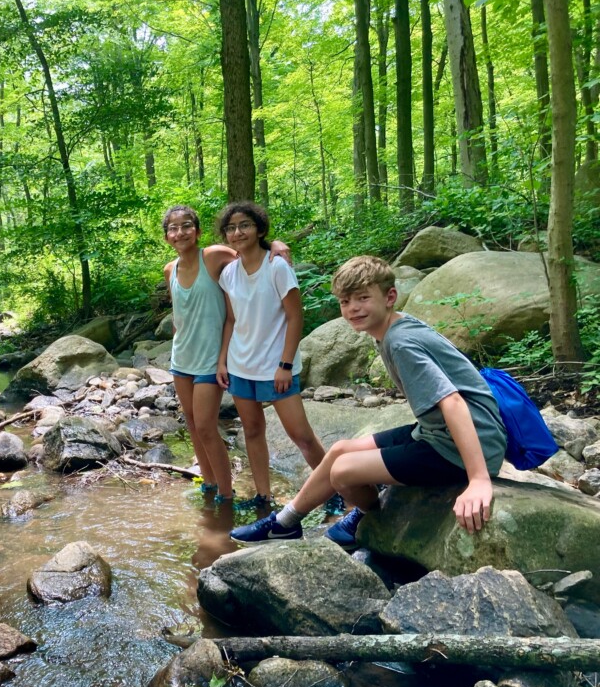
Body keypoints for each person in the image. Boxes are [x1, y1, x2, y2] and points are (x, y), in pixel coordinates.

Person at [230, 255, 507, 547]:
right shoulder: (393, 328)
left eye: (362, 298)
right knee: (339, 450)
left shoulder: (401, 343)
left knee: (342, 472)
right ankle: (284, 522)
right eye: (345, 301)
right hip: (438, 433)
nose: (352, 309)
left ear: (390, 297)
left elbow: (452, 402)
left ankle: (370, 516)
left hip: (459, 447)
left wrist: (478, 479)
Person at [163, 205, 291, 508]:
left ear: (197, 230)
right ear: (167, 236)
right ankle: (208, 483)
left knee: (207, 425)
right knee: (193, 424)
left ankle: (226, 492)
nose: (179, 232)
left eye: (186, 226)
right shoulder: (170, 270)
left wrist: (276, 244)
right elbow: (179, 313)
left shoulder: (216, 255)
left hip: (212, 358)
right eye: (173, 228)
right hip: (181, 357)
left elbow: (250, 253)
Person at [215, 201, 329, 526]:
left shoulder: (277, 266)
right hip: (240, 366)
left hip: (275, 367)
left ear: (260, 229)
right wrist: (222, 361)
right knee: (252, 430)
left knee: (302, 436)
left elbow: (296, 316)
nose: (238, 232)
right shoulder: (228, 273)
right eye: (231, 228)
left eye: (245, 225)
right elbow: (231, 320)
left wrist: (286, 364)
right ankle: (263, 498)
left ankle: (336, 490)